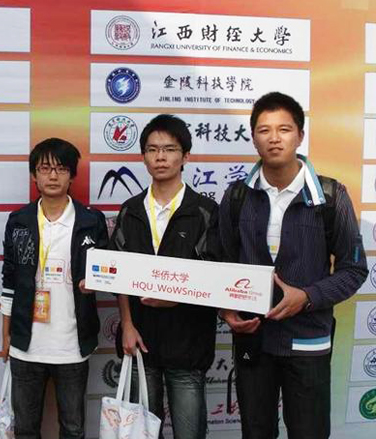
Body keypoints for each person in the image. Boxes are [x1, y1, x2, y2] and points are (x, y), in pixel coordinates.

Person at [219, 92, 368, 439]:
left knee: (309, 432)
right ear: (253, 138)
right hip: (253, 341)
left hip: (308, 342)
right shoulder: (237, 196)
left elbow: (354, 269)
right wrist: (225, 309)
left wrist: (308, 296)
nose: (274, 138)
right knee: (256, 432)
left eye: (284, 129)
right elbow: (222, 263)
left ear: (300, 135)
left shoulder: (331, 196)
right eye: (264, 130)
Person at [109, 114, 221, 439]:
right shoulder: (130, 211)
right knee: (141, 434)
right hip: (140, 344)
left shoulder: (205, 212)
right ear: (143, 156)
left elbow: (215, 275)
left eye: (170, 149)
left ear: (185, 156)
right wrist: (126, 324)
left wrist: (175, 298)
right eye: (152, 149)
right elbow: (118, 274)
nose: (160, 157)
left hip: (188, 346)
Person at [0, 137, 109, 439]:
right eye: (44, 168)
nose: (52, 176)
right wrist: (6, 335)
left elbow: (109, 270)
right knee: (25, 430)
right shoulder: (19, 221)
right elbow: (9, 280)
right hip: (26, 345)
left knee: (73, 429)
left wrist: (95, 283)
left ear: (72, 175)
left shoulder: (91, 221)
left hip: (72, 345)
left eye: (61, 169)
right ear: (33, 175)